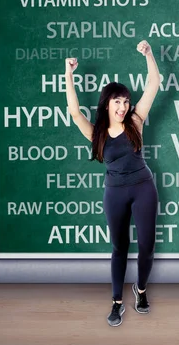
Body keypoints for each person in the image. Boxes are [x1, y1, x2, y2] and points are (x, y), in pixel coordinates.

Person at [64, 40, 161, 327]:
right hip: (115, 193)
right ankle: (117, 302)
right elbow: (73, 112)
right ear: (107, 103)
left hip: (143, 187)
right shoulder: (96, 134)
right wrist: (69, 75)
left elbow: (153, 84)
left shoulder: (136, 120)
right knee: (119, 248)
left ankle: (141, 291)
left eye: (126, 100)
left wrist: (149, 54)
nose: (123, 106)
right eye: (117, 101)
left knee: (147, 246)